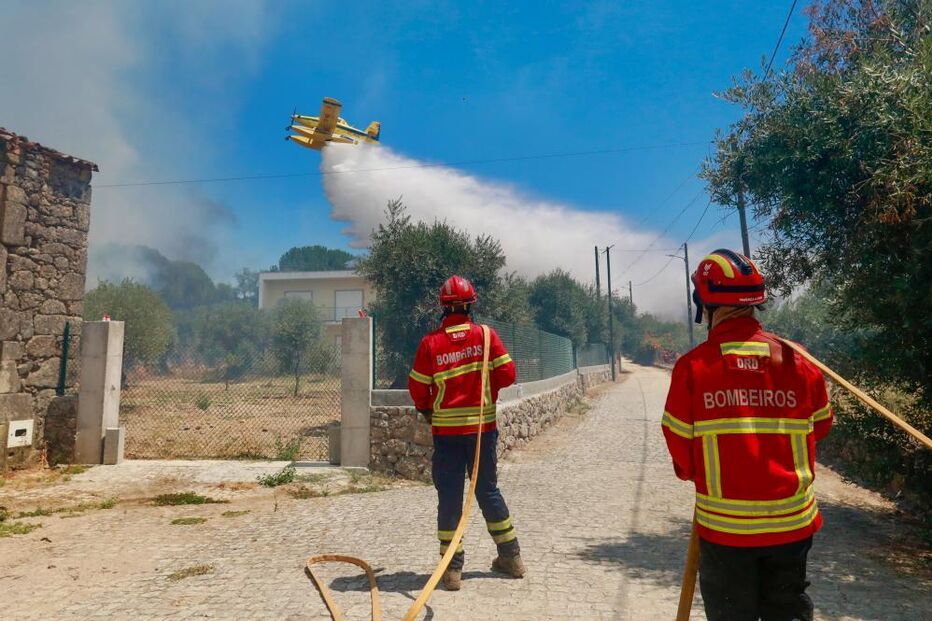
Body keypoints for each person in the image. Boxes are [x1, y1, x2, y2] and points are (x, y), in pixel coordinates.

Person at [661, 249, 833, 621]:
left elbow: (682, 457)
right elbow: (820, 427)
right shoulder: (800, 362)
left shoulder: (692, 369)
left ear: (704, 302)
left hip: (725, 533)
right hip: (792, 526)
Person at [408, 275, 525, 591]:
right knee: (487, 490)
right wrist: (487, 390)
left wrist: (431, 408)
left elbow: (418, 391)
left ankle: (452, 570)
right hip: (482, 431)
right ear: (471, 304)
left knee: (449, 496)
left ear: (443, 308)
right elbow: (508, 374)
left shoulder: (431, 343)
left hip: (446, 434)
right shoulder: (486, 336)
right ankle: (511, 557)